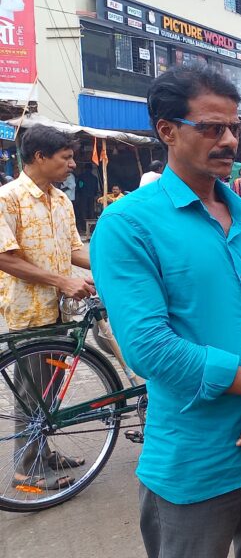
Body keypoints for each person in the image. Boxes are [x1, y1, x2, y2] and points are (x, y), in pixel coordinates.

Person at [90, 64, 241, 558]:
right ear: (167, 130)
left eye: (234, 127)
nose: (230, 140)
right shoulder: (127, 225)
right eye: (211, 127)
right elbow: (149, 348)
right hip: (195, 459)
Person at [0, 125, 95, 491]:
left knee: (50, 390)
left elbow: (73, 250)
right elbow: (5, 258)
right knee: (30, 390)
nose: (72, 164)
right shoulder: (8, 199)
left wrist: (107, 270)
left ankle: (44, 449)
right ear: (39, 157)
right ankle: (26, 468)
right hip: (28, 312)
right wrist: (63, 281)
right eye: (66, 157)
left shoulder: (59, 200)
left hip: (60, 310)